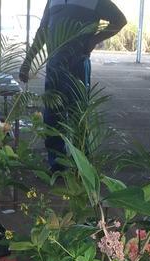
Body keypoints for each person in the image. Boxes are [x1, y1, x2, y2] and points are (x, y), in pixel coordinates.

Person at [18, 0, 127, 170]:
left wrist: (93, 41)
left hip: (77, 65)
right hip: (54, 66)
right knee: (52, 117)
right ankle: (58, 165)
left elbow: (119, 20)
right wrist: (28, 60)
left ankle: (81, 166)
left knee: (78, 116)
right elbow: (43, 29)